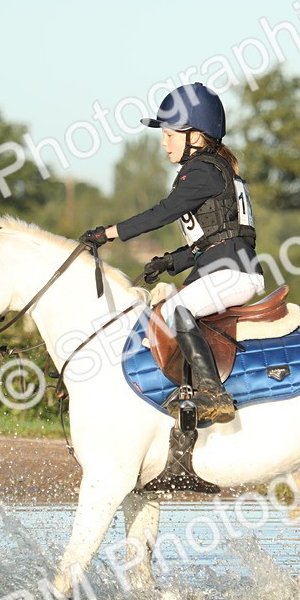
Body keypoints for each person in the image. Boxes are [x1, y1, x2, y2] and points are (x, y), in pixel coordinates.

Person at [80, 82, 265, 424]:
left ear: (195, 136)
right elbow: (212, 240)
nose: (164, 143)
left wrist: (109, 233)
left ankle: (213, 393)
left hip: (233, 272)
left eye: (170, 134)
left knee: (178, 309)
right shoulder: (215, 171)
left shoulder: (202, 170)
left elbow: (163, 211)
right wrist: (170, 261)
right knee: (171, 307)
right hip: (228, 267)